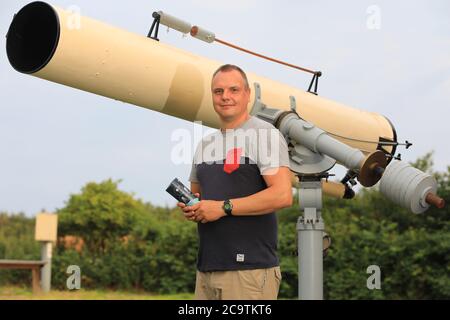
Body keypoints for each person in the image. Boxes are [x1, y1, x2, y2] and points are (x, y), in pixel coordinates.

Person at [177, 64, 292, 300]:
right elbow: (198, 197)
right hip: (207, 270)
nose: (225, 97)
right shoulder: (204, 145)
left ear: (247, 94)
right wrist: (193, 208)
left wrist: (222, 207)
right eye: (218, 91)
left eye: (233, 90)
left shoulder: (265, 134)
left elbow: (282, 195)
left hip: (249, 271)